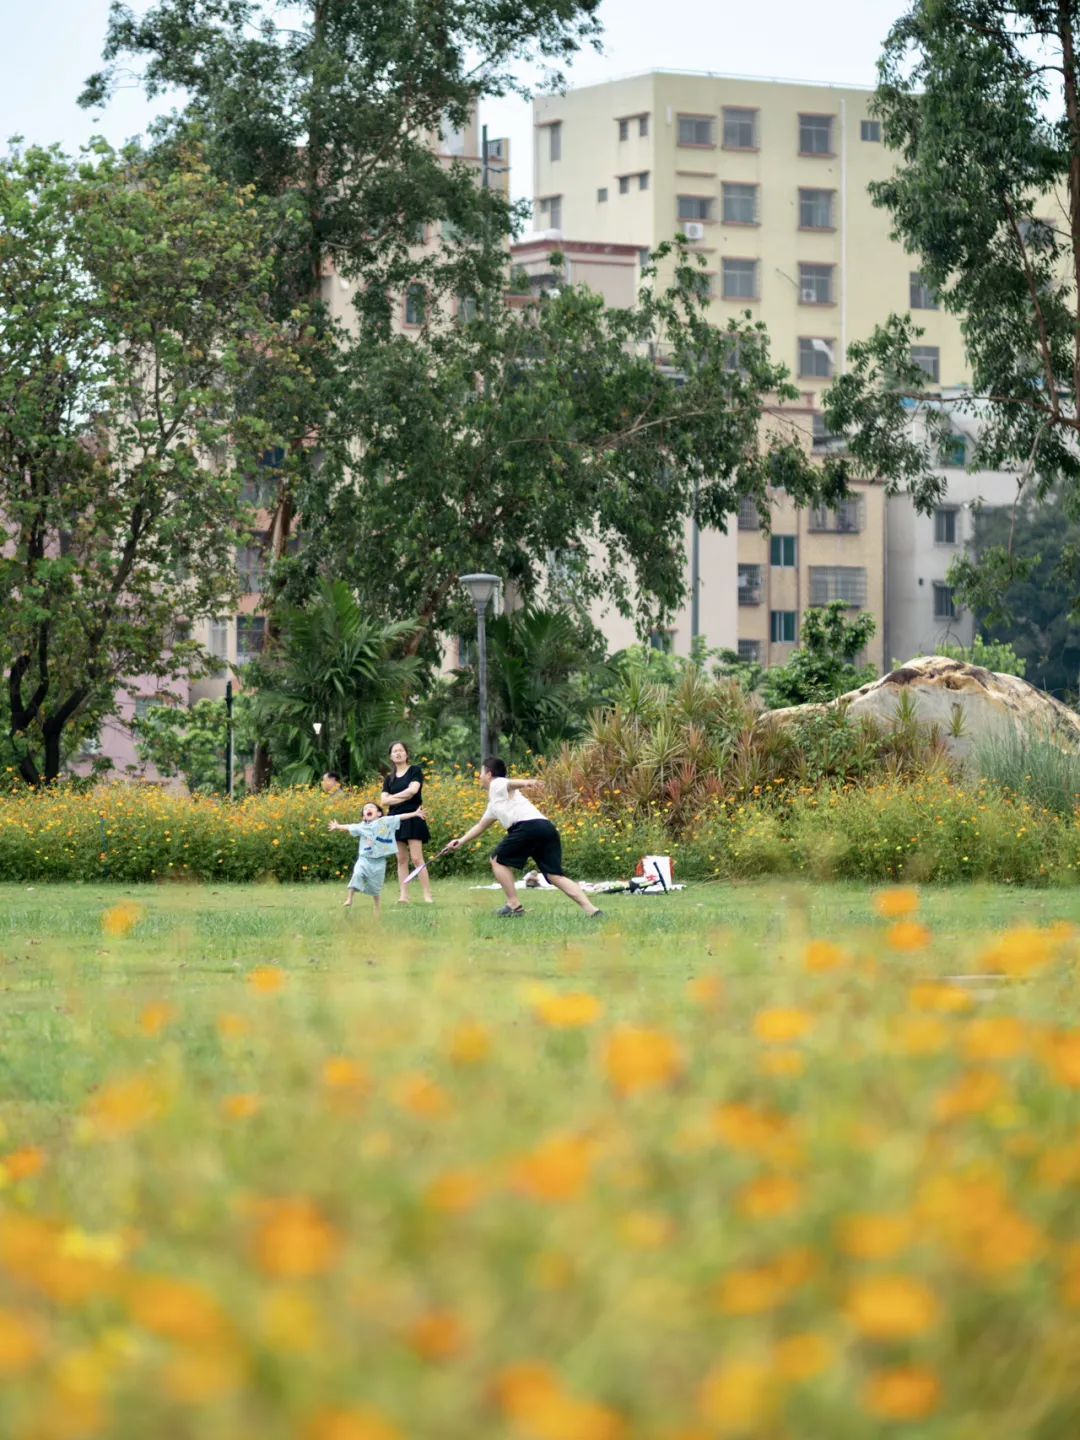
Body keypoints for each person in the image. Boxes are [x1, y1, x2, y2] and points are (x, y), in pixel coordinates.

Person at [447, 758, 603, 919]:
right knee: (554, 876)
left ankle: (514, 905)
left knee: (497, 860)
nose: (479, 777)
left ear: (489, 774)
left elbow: (509, 783)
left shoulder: (496, 783)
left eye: (481, 773)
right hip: (545, 828)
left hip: (528, 827)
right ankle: (593, 911)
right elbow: (481, 826)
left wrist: (526, 782)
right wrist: (460, 841)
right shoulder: (495, 802)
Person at [329, 801, 426, 913]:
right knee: (357, 874)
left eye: (371, 807)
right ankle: (349, 898)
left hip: (379, 861)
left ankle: (377, 907)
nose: (368, 809)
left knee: (376, 886)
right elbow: (350, 826)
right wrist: (337, 826)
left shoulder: (385, 821)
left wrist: (415, 813)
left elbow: (399, 817)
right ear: (363, 816)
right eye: (365, 809)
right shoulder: (361, 826)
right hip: (364, 859)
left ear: (379, 813)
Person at [380, 741, 434, 905]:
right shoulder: (389, 779)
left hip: (413, 816)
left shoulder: (414, 771)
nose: (398, 753)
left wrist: (392, 798)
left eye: (401, 750)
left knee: (417, 858)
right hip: (394, 819)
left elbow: (413, 791)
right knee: (401, 859)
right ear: (391, 756)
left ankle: (427, 895)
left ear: (406, 754)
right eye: (394, 751)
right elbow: (383, 801)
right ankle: (404, 896)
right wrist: (399, 797)